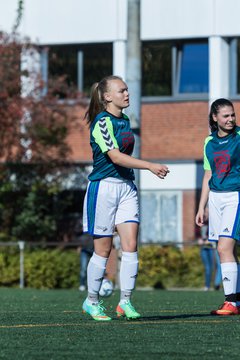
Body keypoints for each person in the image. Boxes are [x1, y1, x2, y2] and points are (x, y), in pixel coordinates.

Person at [82, 75, 169, 321]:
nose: (127, 94)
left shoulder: (126, 120)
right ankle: (91, 301)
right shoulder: (100, 122)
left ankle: (125, 302)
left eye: (127, 90)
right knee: (104, 249)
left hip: (127, 187)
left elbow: (124, 161)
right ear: (107, 96)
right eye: (121, 91)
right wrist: (150, 165)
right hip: (104, 188)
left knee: (131, 246)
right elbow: (116, 157)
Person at [195, 98, 240, 315]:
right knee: (225, 250)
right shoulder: (208, 142)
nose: (231, 119)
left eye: (233, 115)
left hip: (235, 197)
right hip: (215, 198)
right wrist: (201, 206)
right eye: (226, 116)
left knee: (224, 248)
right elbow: (208, 174)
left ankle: (230, 302)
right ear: (215, 118)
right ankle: (236, 301)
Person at [197, 207, 221, 291]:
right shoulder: (200, 222)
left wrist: (209, 239)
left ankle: (216, 284)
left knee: (216, 266)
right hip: (203, 248)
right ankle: (207, 286)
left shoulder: (213, 222)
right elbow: (197, 233)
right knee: (207, 267)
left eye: (207, 211)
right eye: (205, 211)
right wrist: (199, 239)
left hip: (212, 248)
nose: (206, 213)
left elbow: (215, 233)